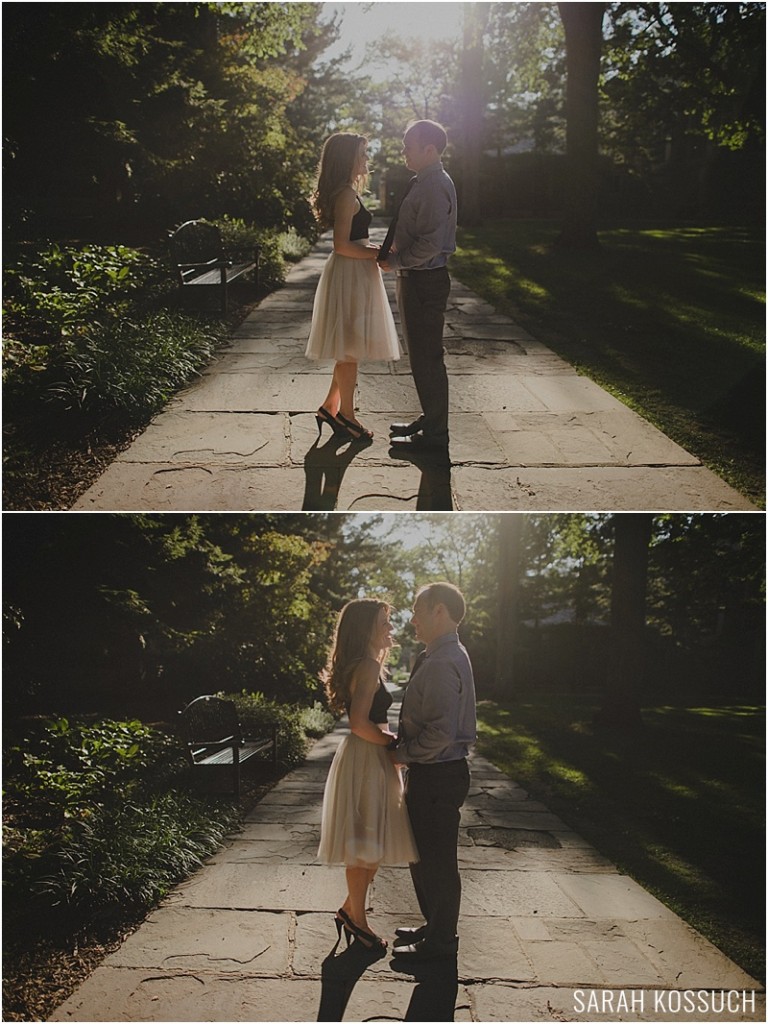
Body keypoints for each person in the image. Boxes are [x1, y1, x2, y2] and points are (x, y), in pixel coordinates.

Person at [317, 599, 418, 951]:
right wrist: (393, 743)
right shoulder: (368, 666)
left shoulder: (366, 665)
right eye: (383, 622)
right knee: (364, 847)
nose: (390, 628)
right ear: (366, 630)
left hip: (369, 758)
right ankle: (358, 924)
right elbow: (359, 723)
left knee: (369, 846)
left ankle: (349, 911)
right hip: (366, 758)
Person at [389, 582, 476, 961]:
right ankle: (435, 926)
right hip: (434, 774)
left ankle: (440, 944)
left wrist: (402, 754)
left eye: (417, 610)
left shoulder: (442, 661)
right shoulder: (441, 655)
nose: (412, 620)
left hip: (438, 774)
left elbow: (440, 733)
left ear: (439, 611)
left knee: (437, 863)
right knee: (423, 858)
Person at [305, 133, 401, 441]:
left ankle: (329, 407)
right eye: (362, 154)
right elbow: (342, 245)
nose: (366, 160)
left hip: (353, 273)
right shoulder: (346, 194)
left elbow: (352, 240)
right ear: (347, 159)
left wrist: (371, 247)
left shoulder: (348, 192)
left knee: (349, 346)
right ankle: (347, 416)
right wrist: (377, 253)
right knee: (349, 349)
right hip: (349, 274)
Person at [378, 121, 457, 452]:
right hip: (416, 278)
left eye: (408, 145)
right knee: (421, 357)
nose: (403, 151)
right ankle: (430, 420)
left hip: (424, 280)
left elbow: (430, 244)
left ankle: (435, 435)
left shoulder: (434, 185)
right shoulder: (424, 181)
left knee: (426, 358)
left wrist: (395, 261)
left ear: (430, 150)